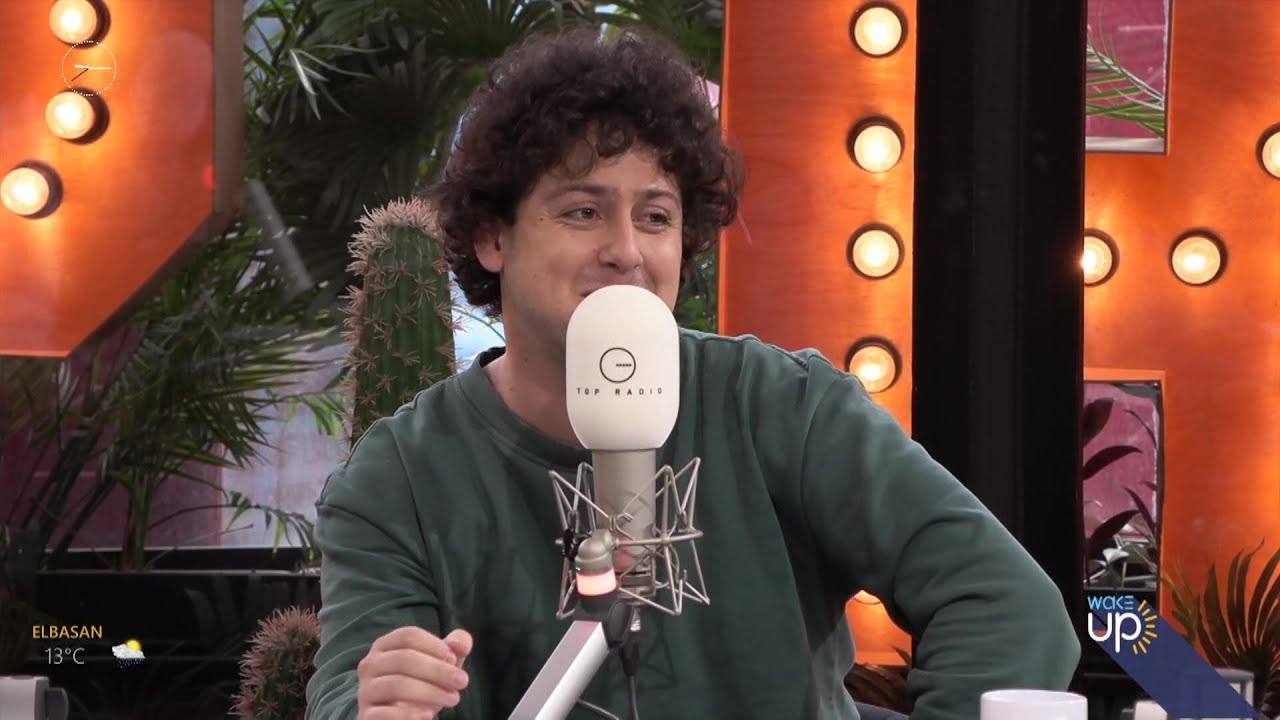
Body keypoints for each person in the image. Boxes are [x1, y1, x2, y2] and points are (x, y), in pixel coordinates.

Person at [303, 23, 1081, 720]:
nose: (626, 251)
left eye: (655, 217)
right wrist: (382, 704)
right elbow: (350, 692)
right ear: (491, 237)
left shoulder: (785, 405)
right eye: (583, 211)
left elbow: (1007, 605)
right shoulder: (399, 478)